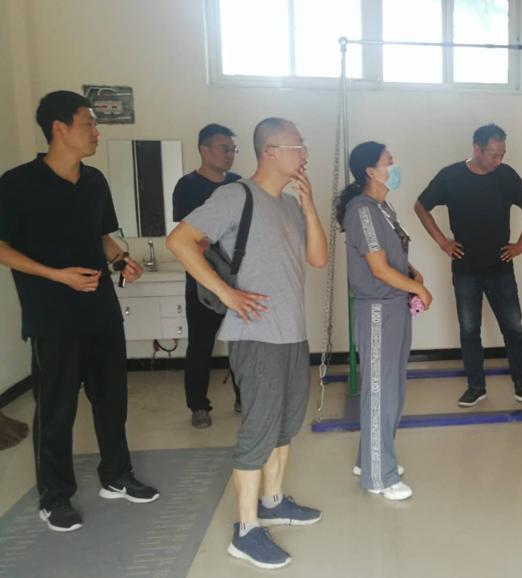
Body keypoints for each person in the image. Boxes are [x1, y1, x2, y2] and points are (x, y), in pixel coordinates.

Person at [166, 117, 328, 570]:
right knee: (258, 429)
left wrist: (310, 207)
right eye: (299, 146)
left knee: (285, 425)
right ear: (271, 151)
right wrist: (226, 293)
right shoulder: (235, 196)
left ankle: (273, 501)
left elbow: (318, 259)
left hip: (291, 332)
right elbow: (180, 241)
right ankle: (246, 530)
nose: (305, 154)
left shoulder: (290, 205)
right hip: (256, 335)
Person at [0, 90, 160, 533]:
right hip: (52, 317)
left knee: (112, 401)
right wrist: (55, 275)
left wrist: (121, 260)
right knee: (56, 410)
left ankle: (116, 476)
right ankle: (55, 497)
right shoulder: (16, 184)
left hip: (101, 311)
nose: (96, 132)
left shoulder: (94, 182)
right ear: (59, 128)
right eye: (89, 123)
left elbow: (101, 238)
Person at [414, 124, 522, 409]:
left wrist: (520, 245)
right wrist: (442, 242)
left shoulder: (506, 176)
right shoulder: (450, 176)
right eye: (493, 155)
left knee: (514, 330)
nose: (498, 160)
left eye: (502, 154)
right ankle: (475, 387)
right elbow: (421, 206)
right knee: (469, 330)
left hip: (501, 268)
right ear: (477, 149)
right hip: (465, 270)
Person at [338, 141, 432, 501]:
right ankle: (379, 476)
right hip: (377, 310)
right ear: (370, 172)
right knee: (380, 391)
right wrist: (418, 289)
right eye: (389, 163)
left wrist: (411, 273)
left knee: (392, 389)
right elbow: (377, 268)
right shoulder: (362, 211)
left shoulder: (382, 208)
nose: (395, 168)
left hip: (395, 307)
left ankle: (370, 458)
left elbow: (391, 255)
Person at [172, 123, 244, 428]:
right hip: (202, 279)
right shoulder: (187, 186)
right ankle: (198, 406)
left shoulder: (239, 184)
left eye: (233, 149)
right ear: (204, 150)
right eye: (224, 148)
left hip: (238, 277)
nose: (230, 154)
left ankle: (243, 397)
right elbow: (188, 238)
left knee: (241, 343)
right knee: (200, 345)